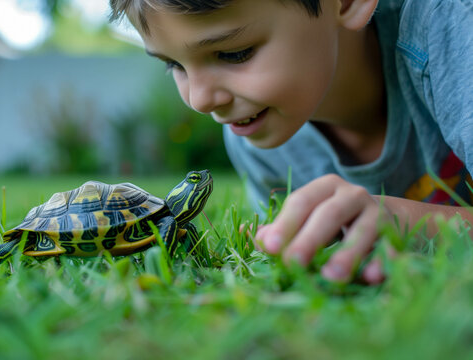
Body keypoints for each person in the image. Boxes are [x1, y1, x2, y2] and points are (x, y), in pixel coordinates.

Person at [108, 0, 473, 283]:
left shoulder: (449, 30)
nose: (199, 100)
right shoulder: (255, 137)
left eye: (234, 53)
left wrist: (410, 222)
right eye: (174, 65)